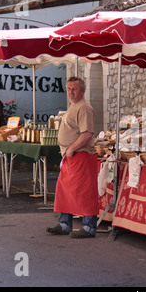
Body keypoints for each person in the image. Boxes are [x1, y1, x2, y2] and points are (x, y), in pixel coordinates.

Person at [47, 76, 99, 238]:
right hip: (72, 155)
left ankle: (89, 227)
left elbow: (87, 134)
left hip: (81, 155)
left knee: (84, 192)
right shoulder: (74, 106)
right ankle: (64, 224)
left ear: (82, 91)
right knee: (65, 190)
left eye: (74, 89)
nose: (70, 92)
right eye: (68, 88)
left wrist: (72, 148)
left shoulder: (84, 107)